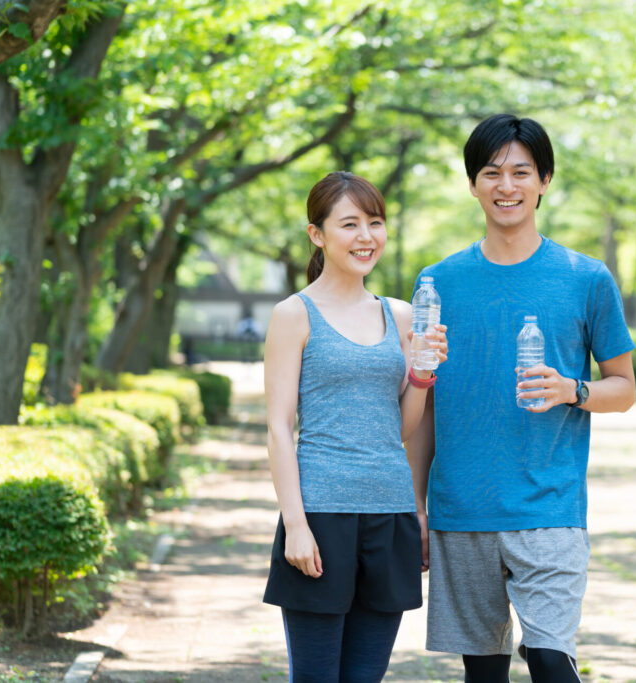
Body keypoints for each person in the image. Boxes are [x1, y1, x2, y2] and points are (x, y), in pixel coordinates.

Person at [407, 114, 636, 682]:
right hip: (462, 510)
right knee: (483, 673)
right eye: (491, 173)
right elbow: (428, 406)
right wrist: (416, 505)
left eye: (521, 172)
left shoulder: (586, 278)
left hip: (550, 510)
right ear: (472, 184)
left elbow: (624, 389)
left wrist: (572, 390)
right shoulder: (437, 283)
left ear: (544, 181)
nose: (505, 186)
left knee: (552, 662)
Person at [262, 171, 447, 682]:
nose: (366, 236)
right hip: (321, 515)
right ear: (317, 234)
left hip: (390, 513)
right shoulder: (293, 315)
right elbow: (278, 428)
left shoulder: (402, 315)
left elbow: (400, 429)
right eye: (350, 224)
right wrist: (296, 525)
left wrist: (421, 376)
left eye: (375, 222)